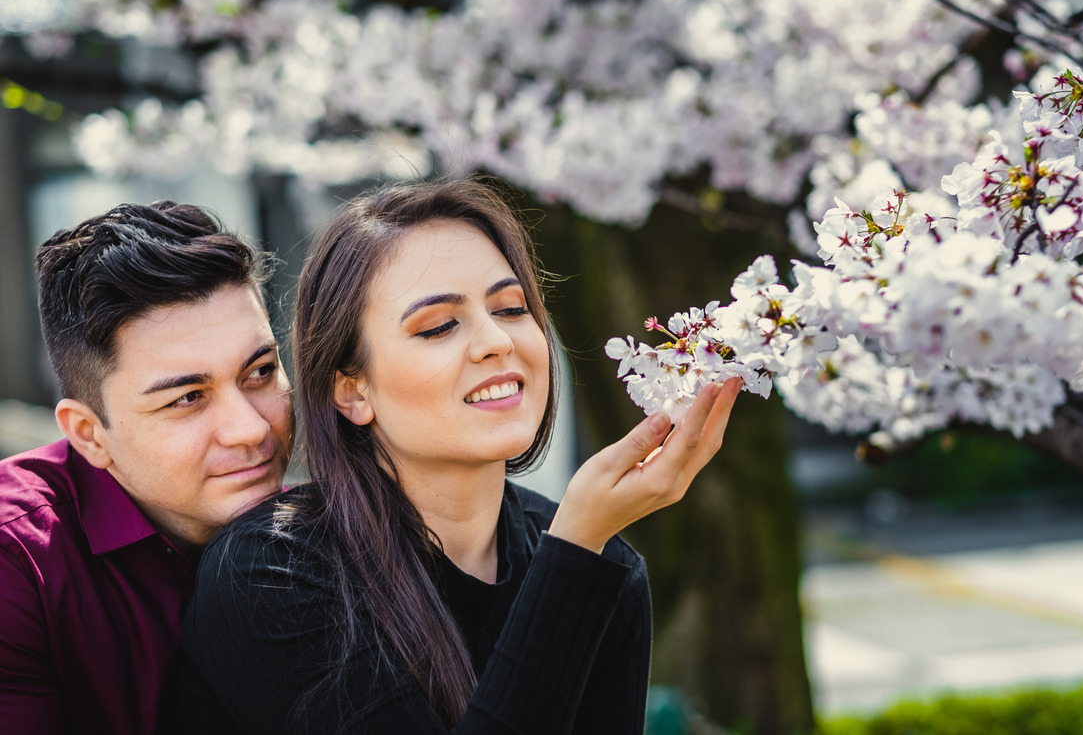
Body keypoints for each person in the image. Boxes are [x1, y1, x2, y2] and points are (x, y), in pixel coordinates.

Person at [176, 179, 742, 734]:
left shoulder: (607, 568)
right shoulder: (268, 575)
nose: (496, 340)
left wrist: (581, 547)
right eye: (439, 325)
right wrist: (574, 548)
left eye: (512, 308)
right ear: (351, 390)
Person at [0, 202, 294, 735]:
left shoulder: (334, 517)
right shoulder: (18, 565)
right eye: (187, 398)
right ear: (89, 434)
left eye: (260, 371)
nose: (251, 429)